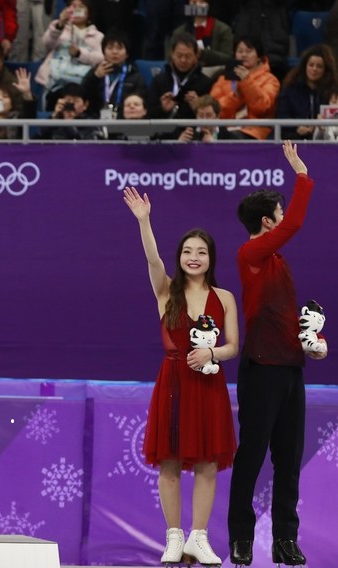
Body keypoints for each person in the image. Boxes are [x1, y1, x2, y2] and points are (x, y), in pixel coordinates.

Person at [123, 187, 238, 567]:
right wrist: (144, 221)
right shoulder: (165, 291)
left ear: (211, 259)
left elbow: (234, 346)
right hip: (172, 384)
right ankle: (174, 537)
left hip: (209, 384)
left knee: (207, 464)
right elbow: (153, 259)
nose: (194, 257)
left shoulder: (224, 297)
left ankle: (198, 538)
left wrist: (212, 352)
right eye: (188, 251)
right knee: (169, 463)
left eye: (201, 252)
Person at [227, 141, 328, 568]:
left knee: (288, 462)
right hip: (261, 369)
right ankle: (241, 541)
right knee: (251, 456)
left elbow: (288, 317)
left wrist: (314, 345)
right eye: (281, 216)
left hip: (291, 370)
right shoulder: (250, 253)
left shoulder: (278, 261)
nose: (286, 222)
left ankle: (287, 540)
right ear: (267, 222)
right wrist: (302, 174)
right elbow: (297, 223)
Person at [210, 35, 279, 140]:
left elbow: (263, 108)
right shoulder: (223, 79)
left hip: (254, 131)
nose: (243, 55)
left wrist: (246, 82)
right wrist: (235, 97)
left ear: (259, 56)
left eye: (248, 51)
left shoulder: (270, 80)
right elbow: (215, 110)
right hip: (226, 129)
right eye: (240, 51)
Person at [35, 0, 104, 103]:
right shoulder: (57, 26)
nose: (76, 10)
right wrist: (60, 24)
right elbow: (47, 43)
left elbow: (100, 58)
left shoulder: (97, 35)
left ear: (89, 13)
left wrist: (79, 53)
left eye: (80, 7)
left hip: (81, 82)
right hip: (55, 79)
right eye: (73, 6)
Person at [80, 29, 146, 119]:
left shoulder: (135, 76)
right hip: (95, 121)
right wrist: (95, 77)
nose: (115, 52)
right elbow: (82, 96)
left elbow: (140, 101)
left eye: (119, 48)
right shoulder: (95, 72)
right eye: (110, 48)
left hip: (125, 121)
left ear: (127, 54)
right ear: (103, 52)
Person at [276, 44, 338, 140]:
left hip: (324, 140)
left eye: (319, 66)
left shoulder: (333, 91)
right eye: (311, 65)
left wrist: (323, 125)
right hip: (293, 139)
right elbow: (282, 117)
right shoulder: (290, 89)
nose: (314, 69)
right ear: (305, 66)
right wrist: (296, 127)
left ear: (326, 69)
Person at [148, 32, 213, 120]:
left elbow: (213, 116)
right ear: (172, 54)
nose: (183, 60)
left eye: (188, 56)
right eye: (179, 56)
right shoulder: (159, 80)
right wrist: (162, 108)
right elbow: (148, 113)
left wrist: (198, 107)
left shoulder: (206, 83)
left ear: (196, 56)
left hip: (193, 131)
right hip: (164, 131)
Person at [165, 0, 233, 67]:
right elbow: (170, 57)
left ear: (209, 5)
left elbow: (227, 57)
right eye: (194, 2)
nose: (197, 5)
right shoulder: (179, 31)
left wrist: (203, 53)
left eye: (202, 2)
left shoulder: (223, 29)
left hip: (214, 72)